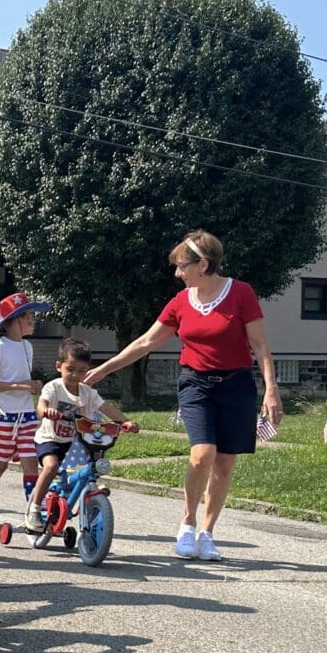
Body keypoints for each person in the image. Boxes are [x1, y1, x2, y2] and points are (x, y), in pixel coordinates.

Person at [84, 230, 281, 561]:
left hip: (236, 385)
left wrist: (271, 389)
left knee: (225, 463)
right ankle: (187, 524)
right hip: (196, 383)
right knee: (203, 453)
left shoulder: (241, 294)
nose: (177, 274)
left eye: (181, 266)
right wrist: (107, 368)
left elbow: (260, 345)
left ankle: (207, 533)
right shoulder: (181, 301)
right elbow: (146, 342)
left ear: (203, 265)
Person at [27, 338, 138, 532]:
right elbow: (41, 404)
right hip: (50, 439)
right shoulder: (53, 387)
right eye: (70, 369)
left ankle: (90, 492)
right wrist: (46, 411)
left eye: (81, 371)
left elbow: (106, 408)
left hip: (76, 441)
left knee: (94, 465)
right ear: (59, 366)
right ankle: (35, 510)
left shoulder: (87, 392)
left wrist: (125, 422)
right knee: (51, 466)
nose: (75, 375)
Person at [0, 291, 52, 527]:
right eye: (28, 316)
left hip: (26, 414)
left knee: (30, 461)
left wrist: (34, 385)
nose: (32, 321)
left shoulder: (28, 347)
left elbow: (22, 377)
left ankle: (33, 508)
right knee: (0, 461)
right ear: (13, 320)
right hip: (3, 414)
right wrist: (19, 385)